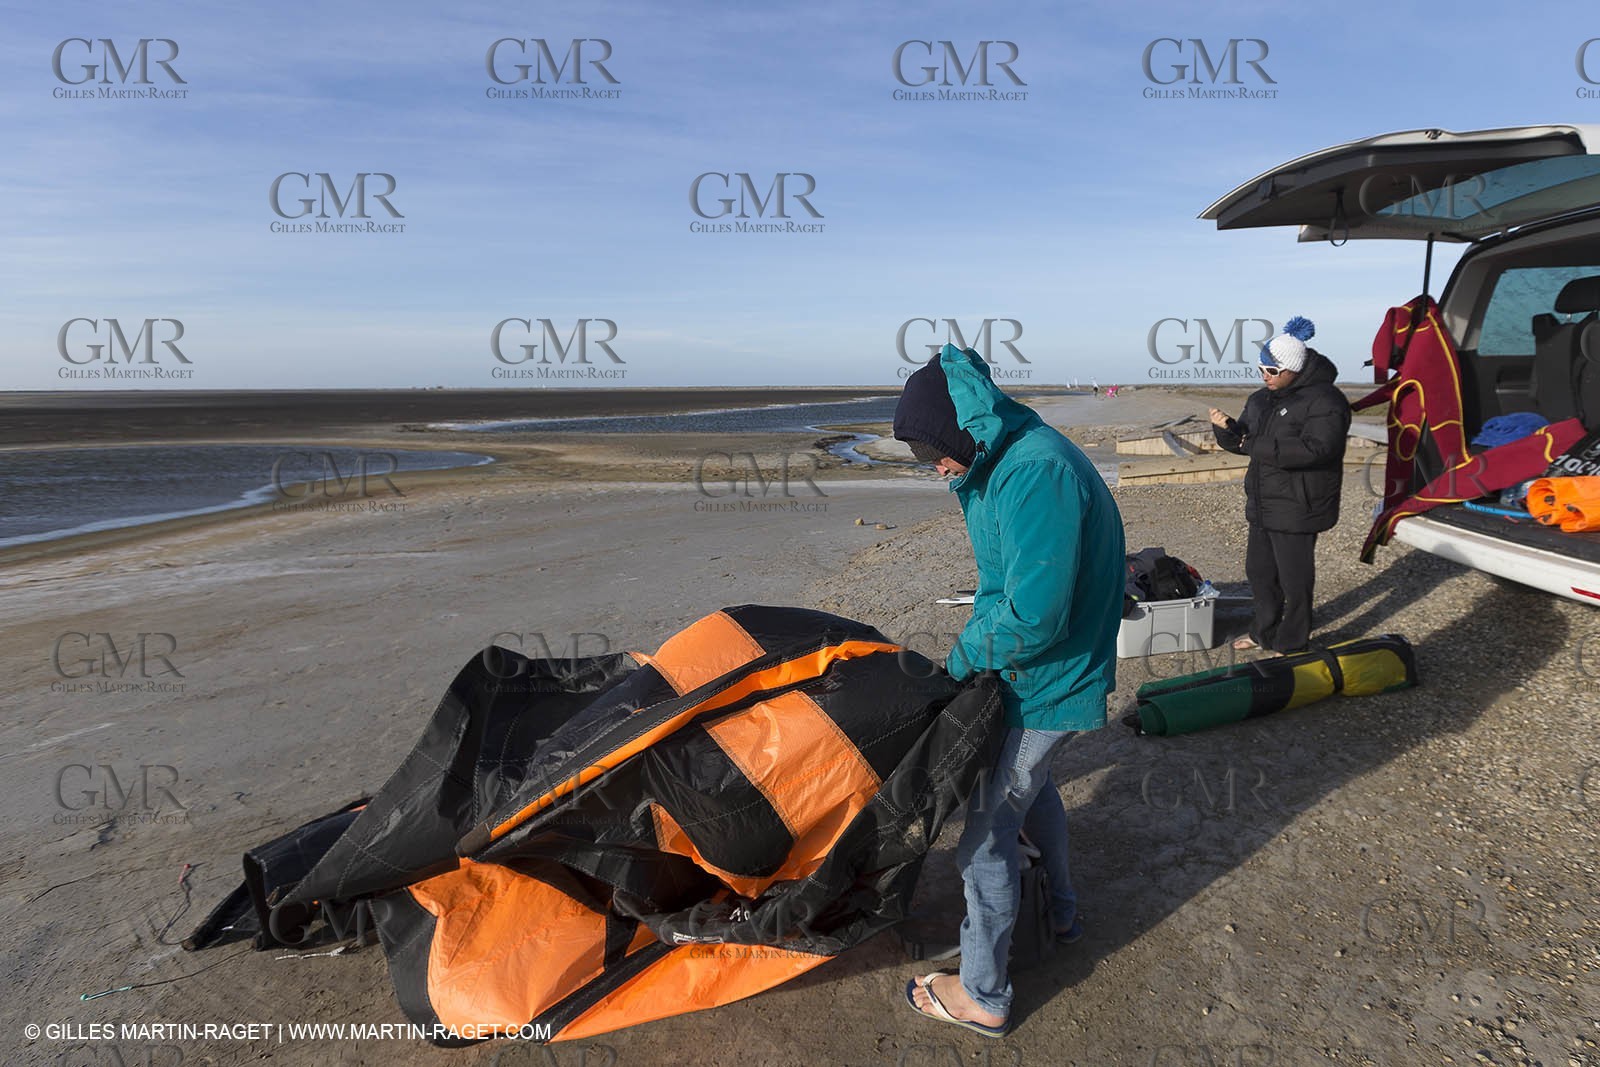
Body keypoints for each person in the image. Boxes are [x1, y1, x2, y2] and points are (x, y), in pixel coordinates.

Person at [892, 344, 1125, 1038]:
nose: (932, 467)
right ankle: (1060, 910)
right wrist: (973, 652)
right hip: (1038, 671)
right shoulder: (999, 462)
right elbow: (1001, 584)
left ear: (963, 430)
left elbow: (1035, 612)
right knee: (1036, 790)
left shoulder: (1035, 473)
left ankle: (984, 994)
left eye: (931, 452)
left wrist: (963, 659)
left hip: (1053, 675)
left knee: (985, 834)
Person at [1209, 316, 1350, 655]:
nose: (1265, 377)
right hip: (1263, 502)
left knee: (1295, 581)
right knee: (1259, 574)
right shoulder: (1260, 399)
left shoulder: (1327, 400)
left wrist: (1250, 444)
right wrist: (1225, 429)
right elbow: (1243, 439)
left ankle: (1292, 641)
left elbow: (1318, 449)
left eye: (1272, 371)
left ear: (1294, 369)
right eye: (1261, 369)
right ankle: (1263, 632)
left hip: (1300, 504)